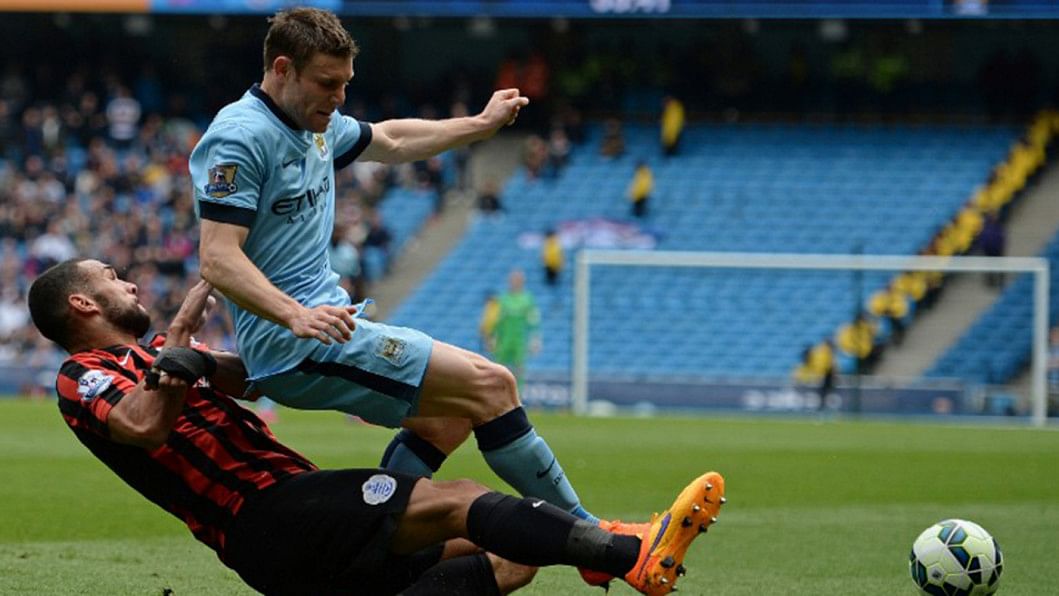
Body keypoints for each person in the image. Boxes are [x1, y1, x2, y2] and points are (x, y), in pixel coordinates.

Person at [27, 258, 727, 595]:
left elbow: (245, 377)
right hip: (264, 515)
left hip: (290, 520)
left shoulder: (158, 355)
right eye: (112, 276)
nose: (129, 282)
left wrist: (230, 358)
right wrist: (179, 345)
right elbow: (143, 426)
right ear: (83, 303)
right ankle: (627, 553)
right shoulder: (82, 374)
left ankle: (599, 548)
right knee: (460, 500)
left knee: (514, 556)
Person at [189, 7, 603, 536]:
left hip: (322, 326)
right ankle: (596, 538)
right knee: (493, 384)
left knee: (448, 419)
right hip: (295, 342)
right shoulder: (240, 137)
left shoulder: (313, 124)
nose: (340, 97)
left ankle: (371, 541)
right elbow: (217, 256)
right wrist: (294, 314)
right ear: (283, 69)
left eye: (345, 83)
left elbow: (392, 140)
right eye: (328, 83)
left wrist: (479, 125)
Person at [492, 269, 540, 386]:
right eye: (513, 280)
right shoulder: (503, 299)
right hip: (504, 340)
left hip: (520, 340)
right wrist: (494, 337)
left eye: (518, 280)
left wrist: (535, 339)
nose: (515, 282)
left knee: (519, 368)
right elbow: (497, 321)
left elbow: (533, 320)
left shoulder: (528, 299)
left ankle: (518, 392)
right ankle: (498, 391)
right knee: (499, 368)